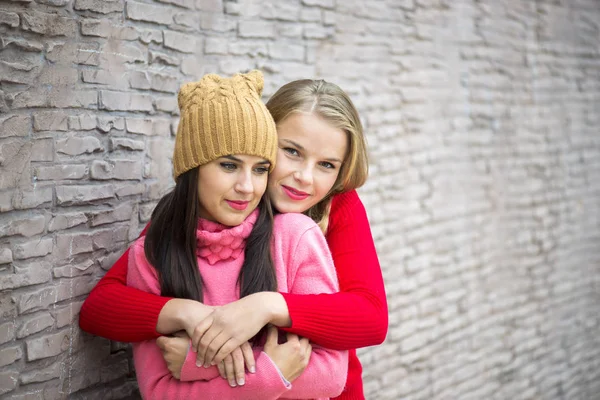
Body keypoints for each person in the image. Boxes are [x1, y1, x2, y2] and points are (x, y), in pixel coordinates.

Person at [79, 73, 388, 399]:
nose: (304, 178)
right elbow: (103, 304)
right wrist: (189, 315)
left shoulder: (331, 208)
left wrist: (264, 308)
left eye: (327, 164)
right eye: (292, 152)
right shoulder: (207, 212)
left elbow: (370, 317)